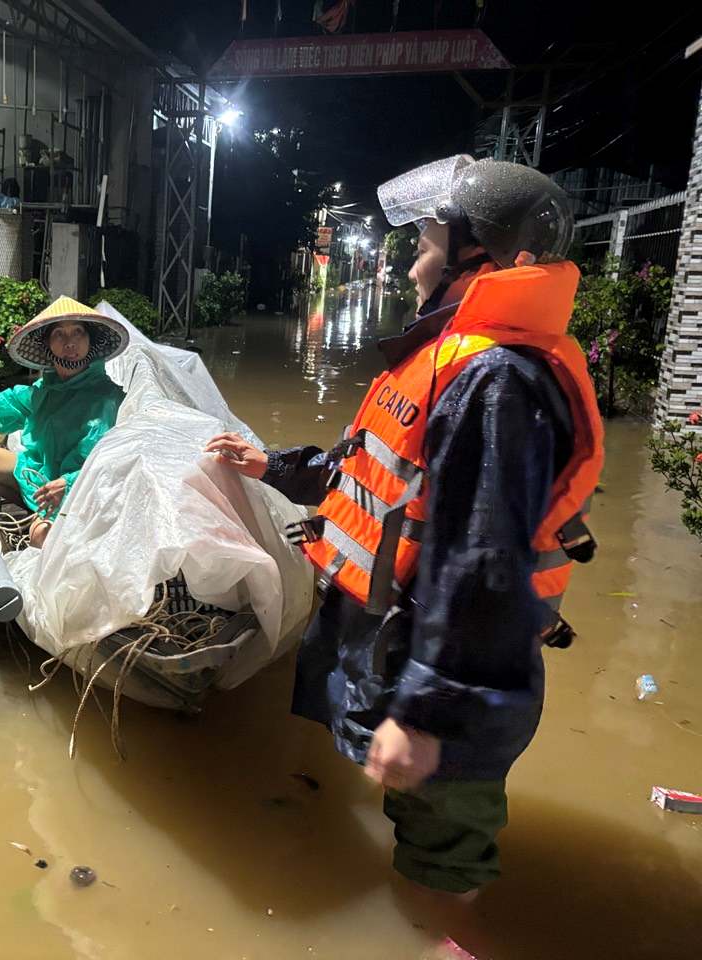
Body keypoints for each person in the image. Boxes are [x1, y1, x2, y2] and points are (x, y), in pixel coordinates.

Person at [206, 156, 604, 897]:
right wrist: (272, 467)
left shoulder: (497, 383)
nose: (412, 261)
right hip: (400, 651)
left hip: (446, 676)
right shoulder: (455, 363)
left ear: (489, 258)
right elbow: (374, 479)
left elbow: (484, 570)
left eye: (426, 241)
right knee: (410, 816)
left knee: (440, 867)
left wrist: (426, 716)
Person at [0, 296, 128, 547]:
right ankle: (35, 505)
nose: (70, 342)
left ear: (90, 340)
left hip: (83, 488)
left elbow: (110, 464)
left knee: (40, 536)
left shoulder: (107, 398)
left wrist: (67, 484)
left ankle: (47, 518)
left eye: (78, 332)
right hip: (41, 476)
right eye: (59, 334)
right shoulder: (43, 390)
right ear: (47, 345)